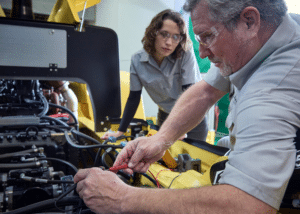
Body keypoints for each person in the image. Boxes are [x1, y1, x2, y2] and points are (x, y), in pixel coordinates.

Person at [74, 0, 300, 213]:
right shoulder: (261, 40)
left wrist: (120, 198)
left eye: (207, 36)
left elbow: (248, 204)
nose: (201, 52)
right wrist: (160, 139)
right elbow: (206, 91)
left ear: (249, 21)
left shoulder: (274, 86)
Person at [101, 9, 208, 142]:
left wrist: (181, 127)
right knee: (165, 160)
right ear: (153, 33)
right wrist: (120, 131)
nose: (169, 42)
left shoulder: (185, 53)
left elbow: (189, 93)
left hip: (192, 117)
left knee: (194, 160)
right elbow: (134, 98)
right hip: (165, 116)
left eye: (175, 37)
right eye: (164, 34)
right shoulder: (137, 61)